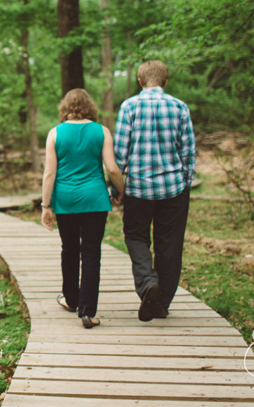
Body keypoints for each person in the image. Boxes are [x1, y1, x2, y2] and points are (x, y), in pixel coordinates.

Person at [113, 60, 196, 322]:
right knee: (169, 244)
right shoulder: (180, 107)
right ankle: (160, 304)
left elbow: (120, 153)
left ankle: (148, 281)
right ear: (165, 82)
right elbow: (188, 152)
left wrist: (117, 186)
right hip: (173, 189)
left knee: (136, 237)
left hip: (138, 188)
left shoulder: (129, 106)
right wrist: (185, 183)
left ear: (140, 81)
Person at [40, 89, 125, 329]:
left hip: (65, 201)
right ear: (90, 107)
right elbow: (113, 169)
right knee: (91, 252)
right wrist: (121, 191)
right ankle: (87, 310)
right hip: (95, 199)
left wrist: (46, 206)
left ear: (64, 108)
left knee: (69, 249)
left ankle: (71, 299)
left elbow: (49, 173)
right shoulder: (102, 131)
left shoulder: (55, 133)